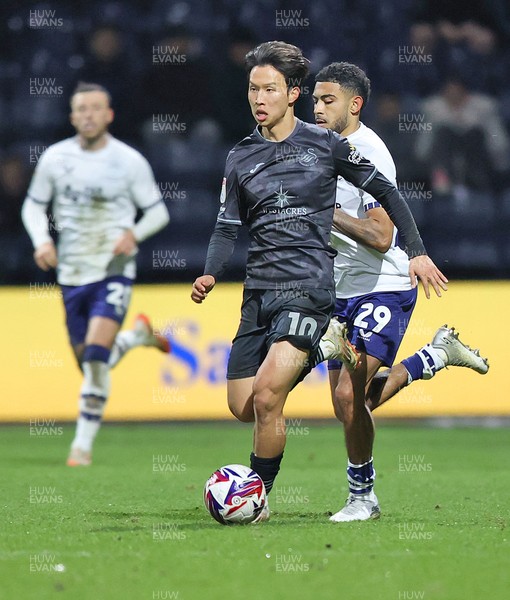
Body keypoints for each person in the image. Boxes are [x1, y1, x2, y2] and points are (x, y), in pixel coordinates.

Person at [191, 41, 447, 522]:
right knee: (245, 406)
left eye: (269, 89)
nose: (258, 98)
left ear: (291, 93)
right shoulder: (241, 155)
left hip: (322, 287)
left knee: (291, 396)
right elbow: (227, 224)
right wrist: (210, 271)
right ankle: (389, 355)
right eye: (252, 89)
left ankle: (264, 498)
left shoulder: (336, 146)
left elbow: (385, 203)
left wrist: (417, 251)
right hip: (262, 292)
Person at [312, 62, 489, 522]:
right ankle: (433, 358)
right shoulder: (316, 146)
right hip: (342, 289)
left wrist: (322, 211)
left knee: (351, 401)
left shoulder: (368, 151)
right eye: (314, 99)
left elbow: (380, 234)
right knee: (351, 403)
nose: (317, 107)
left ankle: (362, 498)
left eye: (327, 100)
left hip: (383, 285)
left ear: (355, 104)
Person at [21, 82, 171, 467]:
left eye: (95, 108)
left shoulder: (128, 160)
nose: (88, 115)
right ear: (72, 116)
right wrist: (41, 241)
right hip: (71, 274)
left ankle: (81, 447)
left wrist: (132, 234)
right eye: (80, 109)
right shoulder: (55, 158)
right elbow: (33, 207)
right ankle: (137, 337)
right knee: (88, 359)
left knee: (95, 357)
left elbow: (158, 212)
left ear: (109, 115)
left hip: (113, 272)